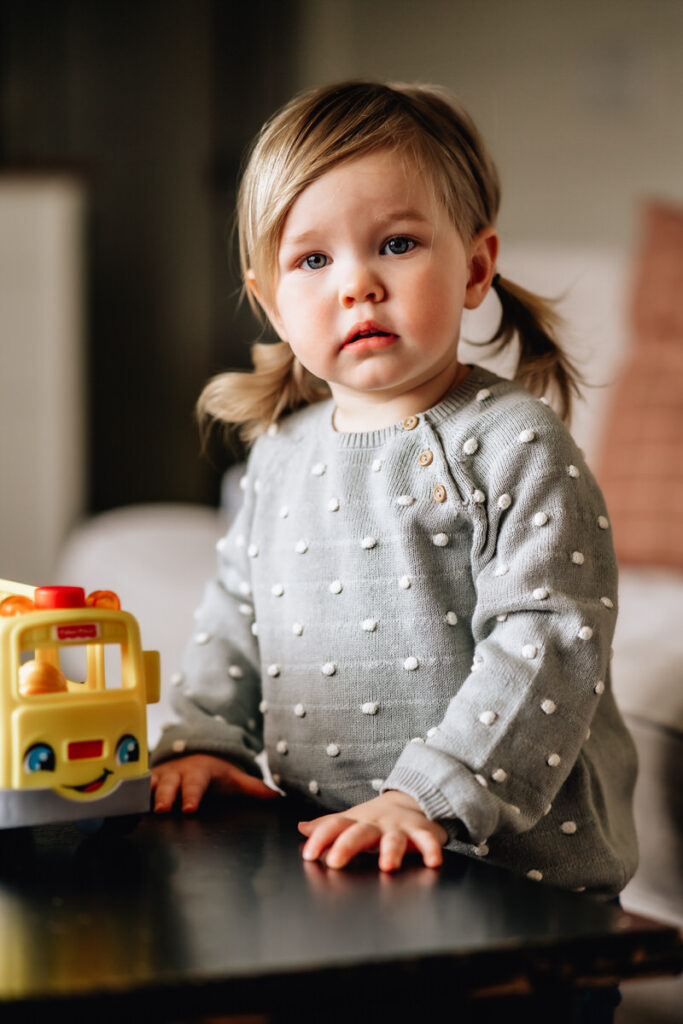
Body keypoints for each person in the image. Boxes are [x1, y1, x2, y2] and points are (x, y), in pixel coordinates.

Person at [151, 80, 638, 899]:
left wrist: (428, 793)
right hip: (333, 863)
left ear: (476, 266)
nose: (357, 284)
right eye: (312, 259)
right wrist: (205, 739)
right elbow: (236, 614)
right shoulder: (278, 454)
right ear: (270, 302)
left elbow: (547, 642)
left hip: (515, 883)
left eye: (397, 245)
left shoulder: (514, 443)